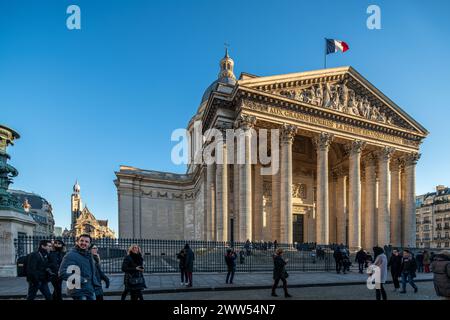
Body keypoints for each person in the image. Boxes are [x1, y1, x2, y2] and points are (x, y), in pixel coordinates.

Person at [59, 234, 100, 300]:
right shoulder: (70, 255)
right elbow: (62, 273)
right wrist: (82, 280)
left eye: (86, 242)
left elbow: (92, 272)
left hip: (89, 289)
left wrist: (95, 283)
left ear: (89, 244)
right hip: (78, 291)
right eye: (81, 241)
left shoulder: (89, 255)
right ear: (77, 242)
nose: (83, 243)